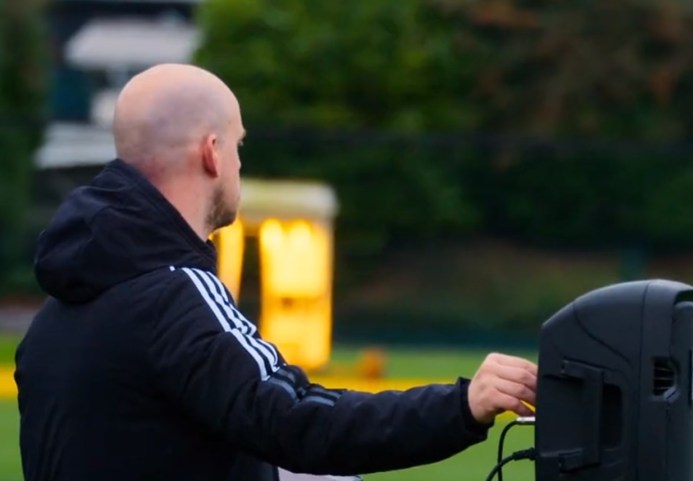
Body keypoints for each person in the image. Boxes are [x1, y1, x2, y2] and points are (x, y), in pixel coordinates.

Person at [15, 64, 538, 481]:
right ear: (212, 154)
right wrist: (462, 405)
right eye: (239, 146)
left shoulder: (59, 312)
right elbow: (295, 421)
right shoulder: (174, 291)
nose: (240, 163)